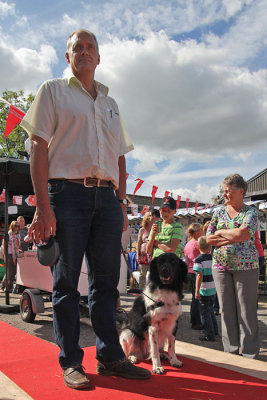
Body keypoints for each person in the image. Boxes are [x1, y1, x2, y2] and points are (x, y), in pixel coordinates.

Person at [20, 29, 150, 390]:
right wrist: (43, 205)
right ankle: (71, 361)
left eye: (91, 46)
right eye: (78, 47)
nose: (85, 51)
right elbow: (38, 145)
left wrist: (121, 202)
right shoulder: (53, 90)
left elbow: (121, 157)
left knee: (107, 284)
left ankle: (110, 356)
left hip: (107, 199)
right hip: (67, 195)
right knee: (64, 283)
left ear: (99, 56)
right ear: (68, 56)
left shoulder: (111, 103)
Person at [206, 173, 259, 358]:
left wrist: (221, 232)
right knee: (226, 310)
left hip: (247, 268)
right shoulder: (218, 212)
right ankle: (231, 352)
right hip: (220, 267)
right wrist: (231, 235)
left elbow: (243, 234)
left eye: (228, 191)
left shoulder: (251, 212)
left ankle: (250, 353)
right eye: (224, 191)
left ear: (241, 191)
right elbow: (208, 238)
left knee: (246, 311)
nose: (225, 195)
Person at [193, 236, 218, 341]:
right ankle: (215, 330)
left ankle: (209, 334)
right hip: (212, 288)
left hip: (204, 289)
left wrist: (197, 290)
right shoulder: (212, 258)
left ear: (198, 247)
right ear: (209, 247)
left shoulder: (198, 260)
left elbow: (199, 275)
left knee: (205, 312)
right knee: (211, 310)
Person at [183, 223, 203, 329]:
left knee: (195, 297)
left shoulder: (187, 244)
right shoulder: (196, 244)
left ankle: (195, 319)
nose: (202, 231)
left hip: (190, 271)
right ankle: (196, 321)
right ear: (196, 232)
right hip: (197, 272)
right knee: (197, 297)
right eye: (200, 230)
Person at [136, 210, 160, 289]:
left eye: (152, 215)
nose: (151, 217)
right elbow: (138, 243)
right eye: (149, 215)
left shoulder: (156, 228)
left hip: (153, 253)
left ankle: (150, 291)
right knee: (142, 274)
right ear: (146, 218)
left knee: (152, 273)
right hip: (143, 255)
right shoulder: (142, 230)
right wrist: (137, 255)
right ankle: (141, 290)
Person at [0, 221, 20, 292]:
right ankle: (3, 286)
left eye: (18, 226)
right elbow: (4, 245)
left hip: (15, 254)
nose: (16, 228)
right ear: (12, 226)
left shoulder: (18, 235)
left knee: (14, 271)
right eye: (15, 226)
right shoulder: (8, 234)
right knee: (9, 271)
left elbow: (17, 246)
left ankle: (9, 287)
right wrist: (5, 256)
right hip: (8, 254)